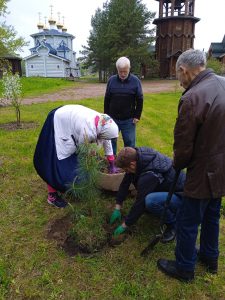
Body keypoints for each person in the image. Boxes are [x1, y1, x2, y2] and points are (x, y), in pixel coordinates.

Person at [157, 49, 225, 282]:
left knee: (187, 222)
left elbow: (184, 146)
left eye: (179, 76)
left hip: (203, 171)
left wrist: (178, 163)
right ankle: (209, 257)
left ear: (183, 71)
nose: (179, 82)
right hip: (222, 168)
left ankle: (185, 268)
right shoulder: (223, 83)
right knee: (212, 215)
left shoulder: (192, 97)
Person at [33, 104, 119, 208]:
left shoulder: (105, 123)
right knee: (54, 164)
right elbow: (84, 152)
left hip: (69, 118)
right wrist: (92, 160)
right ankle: (52, 196)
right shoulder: (88, 130)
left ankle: (77, 186)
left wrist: (111, 162)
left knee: (74, 164)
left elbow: (107, 141)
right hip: (57, 121)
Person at [109, 147, 186, 243]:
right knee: (147, 201)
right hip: (169, 191)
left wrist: (125, 225)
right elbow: (126, 182)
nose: (126, 172)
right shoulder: (140, 158)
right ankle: (160, 209)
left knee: (149, 201)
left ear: (132, 164)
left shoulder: (150, 175)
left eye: (126, 169)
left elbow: (140, 203)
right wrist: (117, 206)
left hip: (182, 197)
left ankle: (173, 224)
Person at [104, 57, 143, 155]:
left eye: (125, 71)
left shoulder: (135, 81)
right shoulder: (111, 81)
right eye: (120, 71)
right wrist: (106, 115)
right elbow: (107, 98)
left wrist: (137, 115)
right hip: (112, 119)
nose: (122, 74)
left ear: (129, 69)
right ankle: (112, 163)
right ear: (117, 69)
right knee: (110, 142)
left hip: (129, 120)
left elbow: (140, 99)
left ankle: (128, 165)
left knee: (129, 144)